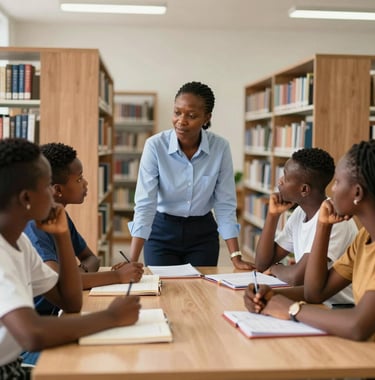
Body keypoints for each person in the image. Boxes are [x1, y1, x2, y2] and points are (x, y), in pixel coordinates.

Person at [0, 138, 140, 379]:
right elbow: (32, 333)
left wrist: (63, 234)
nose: (52, 193)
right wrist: (111, 317)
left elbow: (70, 301)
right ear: (26, 199)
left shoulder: (19, 243)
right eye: (47, 187)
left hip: (11, 363)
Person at [244, 139, 375, 341]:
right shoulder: (363, 239)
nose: (331, 191)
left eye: (338, 183)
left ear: (357, 192)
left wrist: (292, 309)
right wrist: (270, 295)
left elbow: (358, 326)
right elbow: (315, 292)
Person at [128, 81, 253, 269]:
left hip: (202, 235)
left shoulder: (220, 147)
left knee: (202, 291)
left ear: (206, 117)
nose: (181, 120)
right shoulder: (155, 146)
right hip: (162, 231)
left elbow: (225, 204)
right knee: (164, 291)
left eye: (192, 115)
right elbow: (145, 203)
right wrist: (132, 261)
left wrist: (235, 257)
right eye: (177, 112)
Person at [24, 142, 144, 317]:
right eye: (79, 179)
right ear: (57, 189)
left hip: (60, 309)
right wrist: (117, 276)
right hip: (44, 315)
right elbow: (57, 282)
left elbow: (91, 259)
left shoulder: (59, 216)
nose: (86, 183)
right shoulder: (34, 227)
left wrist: (75, 276)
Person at [254, 147, 357, 305]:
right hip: (313, 300)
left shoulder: (335, 220)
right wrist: (272, 216)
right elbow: (261, 264)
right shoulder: (299, 214)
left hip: (339, 306)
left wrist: (275, 269)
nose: (280, 181)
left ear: (304, 190)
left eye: (286, 178)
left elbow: (297, 277)